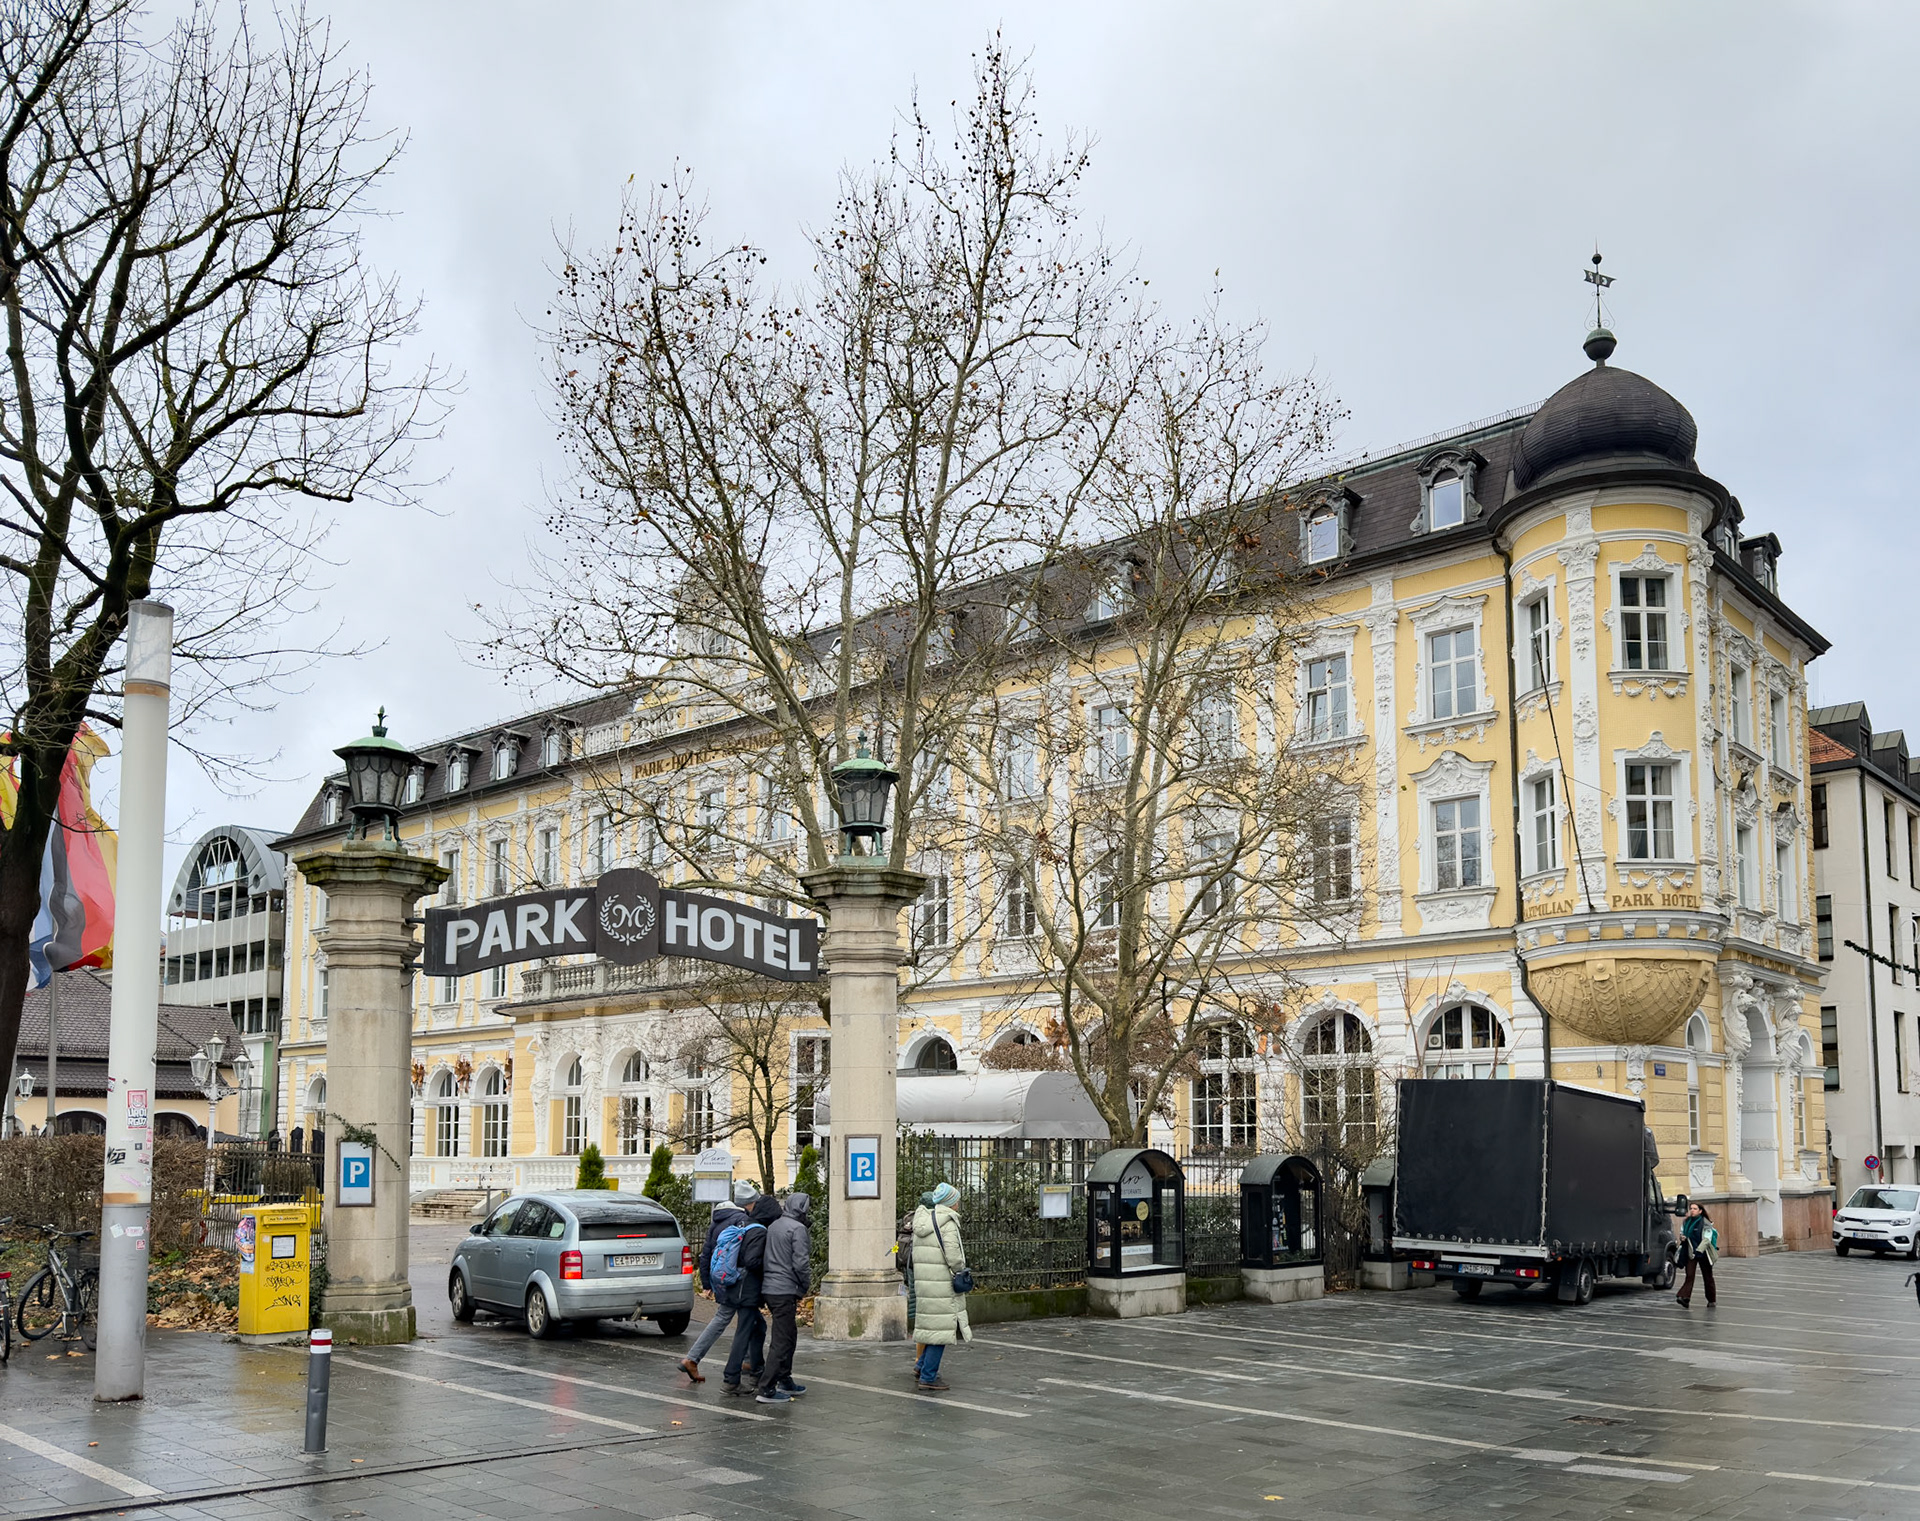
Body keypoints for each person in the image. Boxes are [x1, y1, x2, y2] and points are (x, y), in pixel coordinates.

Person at [678, 1182, 760, 1383]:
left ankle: (748, 1360)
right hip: (738, 1279)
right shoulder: (743, 1220)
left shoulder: (716, 1221)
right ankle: (693, 1358)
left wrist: (707, 1283)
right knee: (732, 1318)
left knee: (746, 1318)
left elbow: (706, 1254)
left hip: (721, 1278)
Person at [719, 1194, 782, 1394]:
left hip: (737, 1287)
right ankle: (731, 1378)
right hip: (746, 1290)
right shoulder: (760, 1232)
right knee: (744, 1332)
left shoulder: (747, 1225)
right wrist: (768, 1266)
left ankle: (757, 1370)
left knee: (758, 1327)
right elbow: (752, 1261)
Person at [910, 1181, 971, 1391]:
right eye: (956, 1201)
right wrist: (961, 1268)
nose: (958, 1205)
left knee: (932, 1327)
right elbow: (955, 1258)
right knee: (941, 1332)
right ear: (950, 1203)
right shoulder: (948, 1222)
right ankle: (928, 1375)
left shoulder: (923, 1220)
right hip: (942, 1284)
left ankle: (920, 1366)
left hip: (926, 1284)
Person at [755, 1191, 812, 1405]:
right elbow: (801, 1263)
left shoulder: (774, 1225)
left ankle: (784, 1378)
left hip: (770, 1287)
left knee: (789, 1333)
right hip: (785, 1289)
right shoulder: (798, 1229)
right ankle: (767, 1387)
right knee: (782, 1339)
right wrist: (804, 1285)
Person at [1676, 1200, 1718, 1308]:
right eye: (1691, 1208)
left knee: (1707, 1277)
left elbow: (1707, 1239)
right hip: (1691, 1251)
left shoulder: (1706, 1222)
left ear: (1700, 1211)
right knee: (1689, 1275)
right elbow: (1682, 1232)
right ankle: (1685, 1297)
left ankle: (1711, 1300)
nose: (1692, 1211)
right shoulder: (1686, 1222)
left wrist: (1700, 1250)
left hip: (1704, 1253)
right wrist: (1682, 1237)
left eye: (1695, 1209)